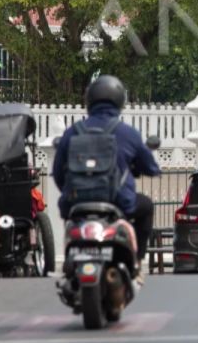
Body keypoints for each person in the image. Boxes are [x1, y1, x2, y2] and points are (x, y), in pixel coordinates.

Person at [52, 75, 161, 279]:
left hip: (76, 203)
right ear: (120, 101)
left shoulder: (71, 133)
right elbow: (151, 167)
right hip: (118, 202)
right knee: (146, 206)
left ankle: (69, 264)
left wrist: (72, 193)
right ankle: (137, 260)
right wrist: (149, 170)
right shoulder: (128, 133)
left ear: (89, 101)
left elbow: (58, 173)